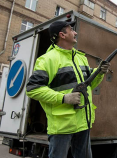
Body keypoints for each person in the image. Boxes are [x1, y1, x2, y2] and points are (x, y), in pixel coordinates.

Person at [26, 19, 110, 158]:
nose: (75, 32)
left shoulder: (80, 58)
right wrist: (64, 98)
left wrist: (99, 72)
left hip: (83, 123)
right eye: (71, 29)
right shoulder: (48, 59)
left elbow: (89, 85)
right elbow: (32, 89)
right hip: (62, 126)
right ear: (62, 35)